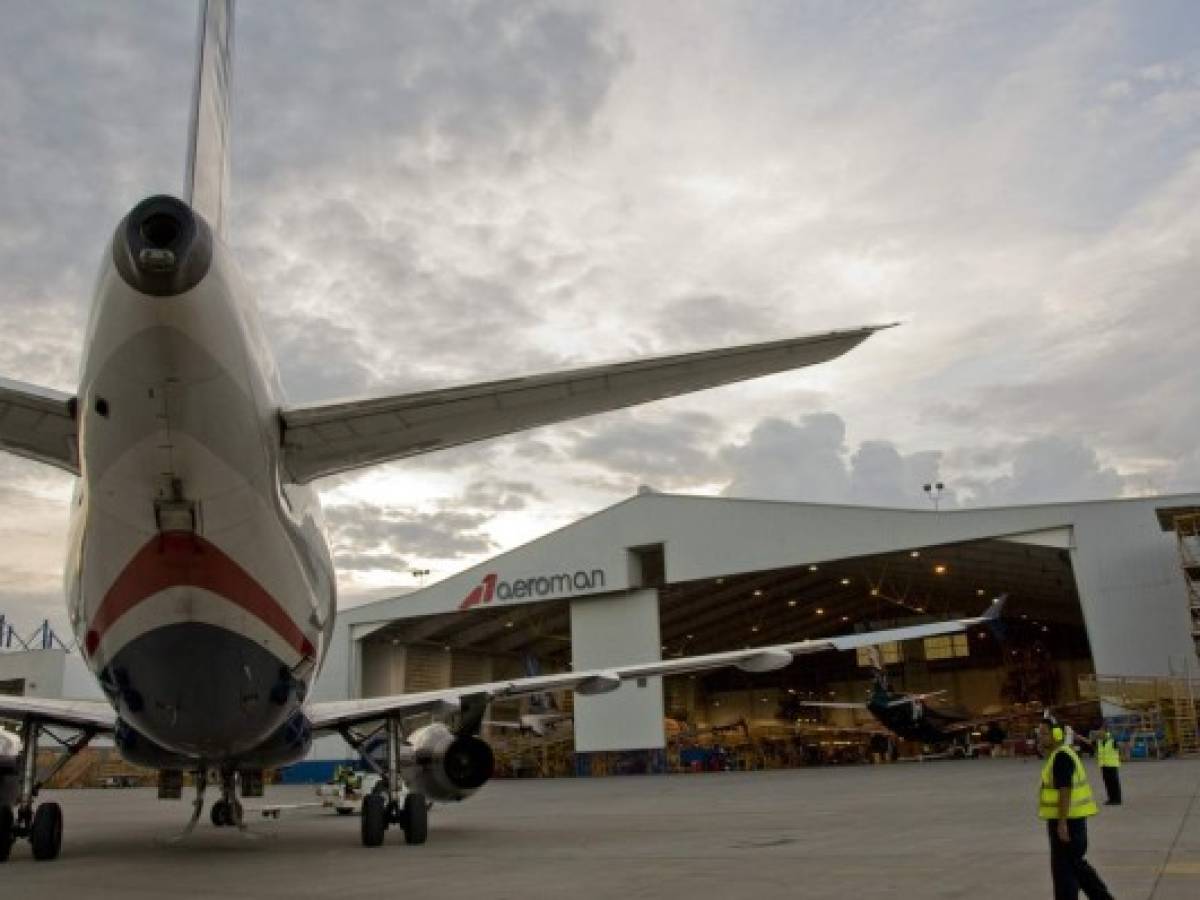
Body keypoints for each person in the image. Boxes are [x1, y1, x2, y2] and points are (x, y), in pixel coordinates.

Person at [1038, 722, 1113, 899]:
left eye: (1044, 734)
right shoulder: (1060, 754)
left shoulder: (1061, 757)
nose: (1040, 737)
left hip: (1067, 821)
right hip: (1071, 820)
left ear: (1056, 735)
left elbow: (1065, 790)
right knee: (1074, 867)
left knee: (1066, 869)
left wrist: (1062, 822)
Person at [1096, 729, 1122, 805]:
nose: (1099, 736)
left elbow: (1119, 748)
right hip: (1103, 765)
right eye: (1098, 735)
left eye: (1100, 734)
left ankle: (1117, 799)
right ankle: (1111, 799)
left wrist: (1122, 756)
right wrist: (1078, 736)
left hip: (1112, 765)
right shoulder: (1099, 742)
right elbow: (1089, 742)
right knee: (1107, 783)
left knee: (1114, 783)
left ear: (1105, 733)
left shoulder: (1112, 741)